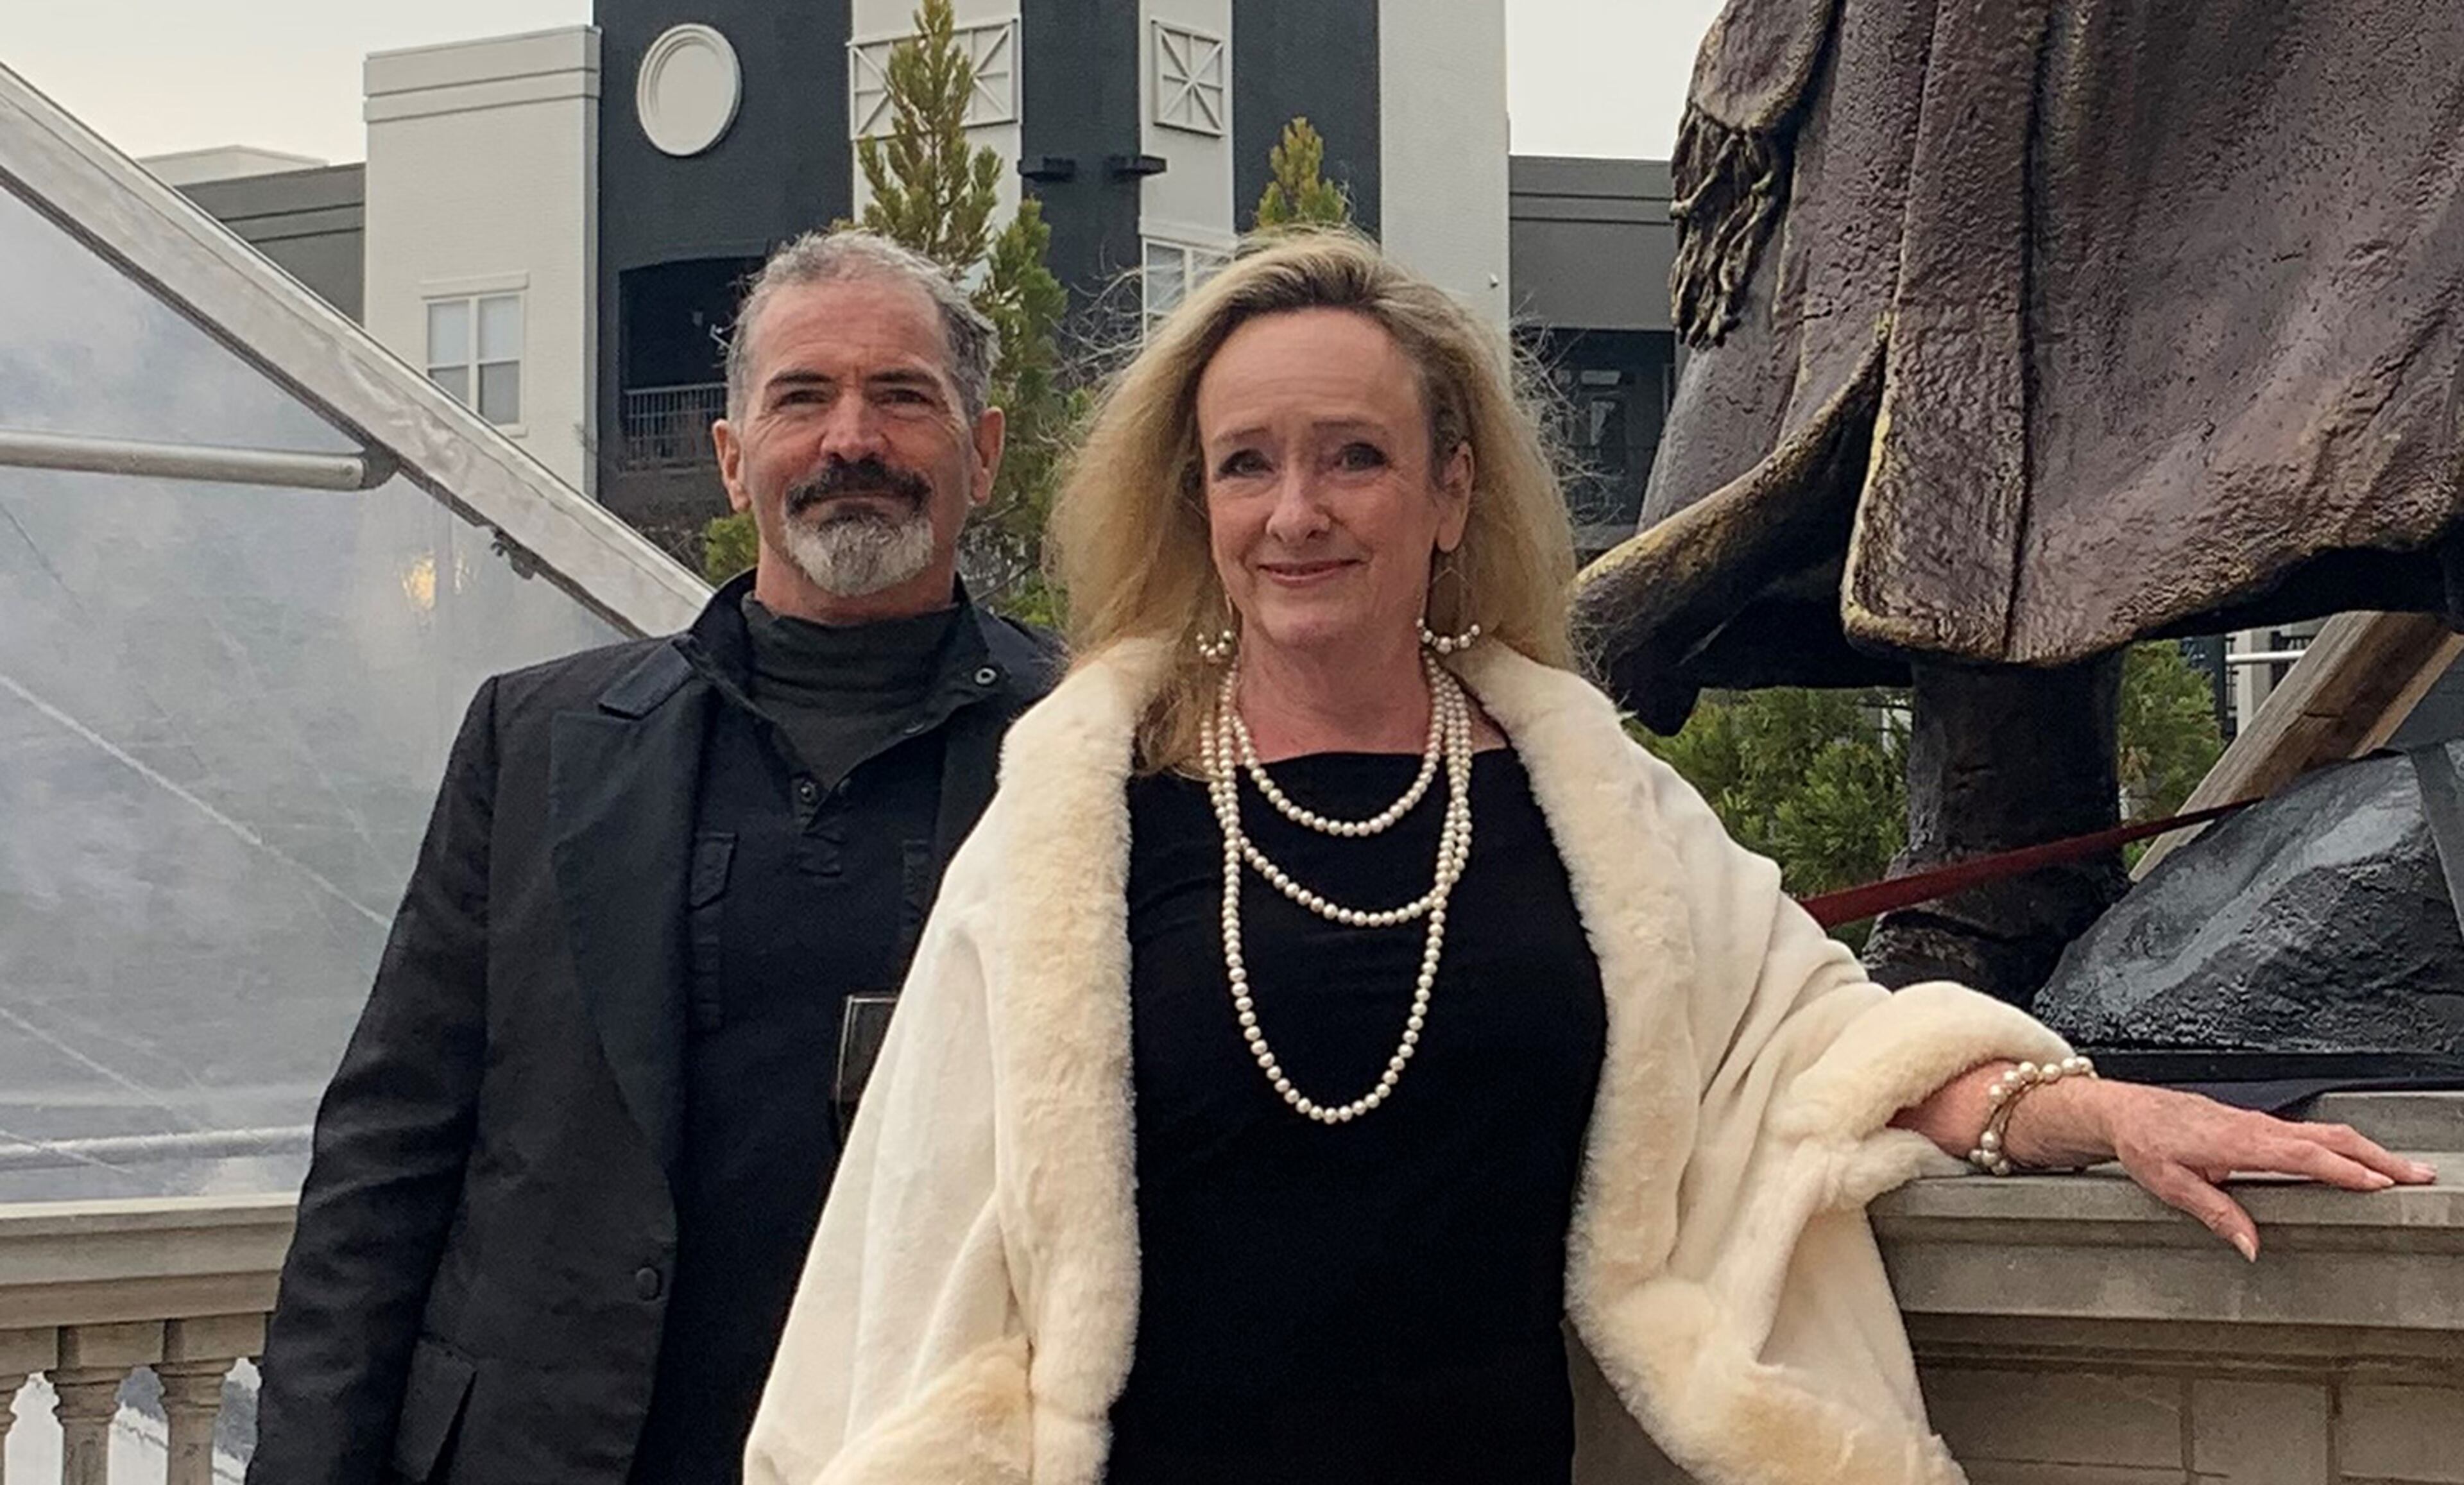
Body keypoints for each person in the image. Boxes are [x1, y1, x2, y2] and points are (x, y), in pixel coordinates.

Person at [740, 230, 2436, 1484]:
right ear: (1197, 504)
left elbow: (1812, 1044)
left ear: (1449, 493)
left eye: (1355, 456)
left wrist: (2094, 1111)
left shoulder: (1582, 795)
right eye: (1247, 463)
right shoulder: (1077, 813)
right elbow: (927, 1233)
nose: (1297, 511)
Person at [247, 230, 1056, 1485]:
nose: (851, 439)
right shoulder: (537, 742)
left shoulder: (1103, 756)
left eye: (903, 396)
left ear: (983, 451)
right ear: (734, 459)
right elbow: (387, 1160)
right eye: (802, 397)